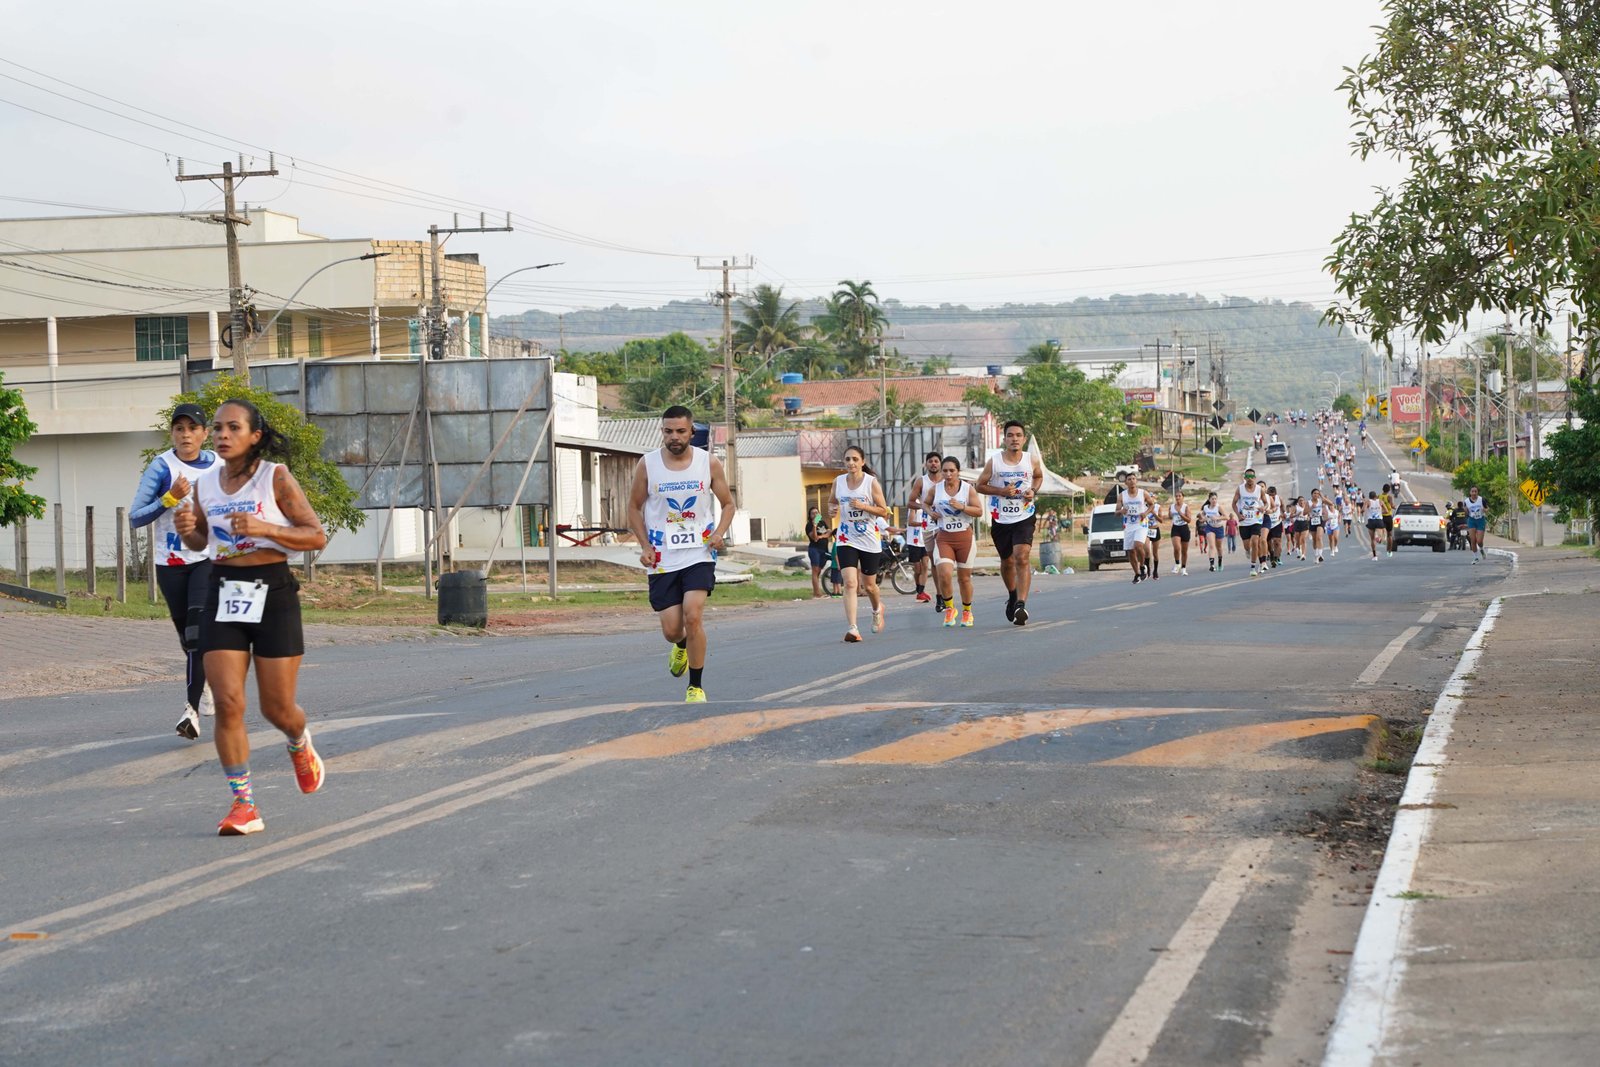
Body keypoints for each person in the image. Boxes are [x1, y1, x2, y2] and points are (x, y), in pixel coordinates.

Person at [172, 398, 328, 837]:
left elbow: (315, 535)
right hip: (223, 590)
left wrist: (266, 529)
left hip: (273, 591)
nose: (222, 435)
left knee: (277, 708)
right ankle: (244, 804)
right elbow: (203, 540)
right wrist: (189, 531)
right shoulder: (205, 483)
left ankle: (298, 741)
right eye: (217, 427)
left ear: (254, 436)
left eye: (233, 427)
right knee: (227, 703)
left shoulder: (274, 477)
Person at [627, 405, 735, 703]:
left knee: (693, 615)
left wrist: (718, 533)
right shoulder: (648, 464)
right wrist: (645, 546)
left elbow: (728, 504)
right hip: (662, 556)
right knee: (673, 630)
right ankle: (681, 645)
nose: (674, 437)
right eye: (668, 431)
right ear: (662, 432)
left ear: (691, 432)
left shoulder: (707, 463)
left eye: (680, 431)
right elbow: (634, 507)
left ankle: (695, 687)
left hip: (699, 552)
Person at [129, 402, 218, 742]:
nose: (186, 435)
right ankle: (204, 681)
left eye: (192, 428)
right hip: (171, 564)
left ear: (204, 433)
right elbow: (135, 517)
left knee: (196, 633)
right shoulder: (162, 467)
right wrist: (169, 498)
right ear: (172, 434)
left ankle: (190, 712)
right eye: (179, 429)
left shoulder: (219, 465)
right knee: (187, 637)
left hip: (207, 560)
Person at [976, 420, 1044, 625]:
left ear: (1023, 439)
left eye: (1018, 435)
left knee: (1021, 557)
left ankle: (1021, 605)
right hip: (1001, 518)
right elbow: (979, 485)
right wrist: (1001, 491)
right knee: (1007, 562)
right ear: (1004, 439)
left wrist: (1033, 490)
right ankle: (1013, 594)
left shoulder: (1031, 460)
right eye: (1010, 435)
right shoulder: (995, 462)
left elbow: (1038, 476)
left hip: (1024, 515)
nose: (1014, 439)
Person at [831, 444, 891, 642]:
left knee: (869, 586)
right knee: (849, 582)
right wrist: (831, 510)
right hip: (846, 537)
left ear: (862, 462)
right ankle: (853, 628)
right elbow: (832, 502)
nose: (851, 463)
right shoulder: (838, 482)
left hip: (868, 538)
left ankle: (877, 609)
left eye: (855, 459)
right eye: (847, 459)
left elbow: (883, 510)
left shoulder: (870, 483)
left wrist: (863, 506)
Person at [925, 455, 982, 627]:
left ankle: (967, 611)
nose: (948, 474)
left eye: (952, 470)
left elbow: (979, 511)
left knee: (964, 579)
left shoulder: (967, 489)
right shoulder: (936, 489)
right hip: (944, 537)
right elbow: (924, 503)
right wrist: (931, 512)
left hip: (964, 537)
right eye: (945, 471)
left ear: (958, 471)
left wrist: (962, 507)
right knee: (944, 574)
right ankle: (950, 608)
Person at [905, 452, 942, 606]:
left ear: (940, 463)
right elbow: (910, 502)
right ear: (926, 464)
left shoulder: (946, 479)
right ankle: (939, 595)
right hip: (928, 526)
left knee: (942, 562)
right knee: (933, 562)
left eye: (936, 461)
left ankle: (943, 594)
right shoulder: (921, 481)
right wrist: (924, 507)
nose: (933, 463)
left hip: (945, 524)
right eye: (930, 461)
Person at [1117, 471, 1154, 584]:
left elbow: (1152, 505)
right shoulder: (1122, 495)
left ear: (1136, 481)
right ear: (1126, 483)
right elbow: (1116, 512)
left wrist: (1145, 513)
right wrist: (1121, 511)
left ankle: (1142, 566)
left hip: (1141, 523)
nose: (1132, 481)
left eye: (1133, 479)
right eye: (1129, 479)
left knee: (1138, 545)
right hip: (1129, 524)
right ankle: (1137, 574)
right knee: (1130, 551)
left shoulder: (1143, 493)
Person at [1233, 468, 1266, 577]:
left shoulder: (1259, 489)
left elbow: (1266, 503)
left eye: (1252, 476)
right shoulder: (1240, 489)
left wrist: (1263, 508)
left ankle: (1253, 567)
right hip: (1244, 521)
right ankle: (1247, 551)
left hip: (1256, 520)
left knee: (1255, 541)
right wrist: (1238, 515)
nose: (1250, 479)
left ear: (1255, 478)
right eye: (1248, 477)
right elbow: (1233, 504)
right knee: (1247, 546)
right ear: (1245, 478)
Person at [805, 504, 830, 598]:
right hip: (814, 549)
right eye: (813, 513)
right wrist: (814, 526)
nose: (815, 514)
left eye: (816, 512)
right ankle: (817, 593)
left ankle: (817, 590)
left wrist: (821, 536)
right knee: (815, 570)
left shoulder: (822, 522)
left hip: (824, 549)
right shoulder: (809, 525)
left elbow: (829, 533)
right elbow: (814, 538)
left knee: (819, 570)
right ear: (810, 516)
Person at [1168, 488, 1192, 575]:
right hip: (1175, 528)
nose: (1178, 497)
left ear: (1183, 497)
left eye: (1179, 496)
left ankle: (1183, 568)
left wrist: (1181, 514)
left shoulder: (1186, 507)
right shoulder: (1171, 506)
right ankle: (1177, 564)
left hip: (1184, 528)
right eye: (1176, 496)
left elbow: (1189, 520)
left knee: (1184, 551)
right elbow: (1170, 517)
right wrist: (1170, 514)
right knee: (1177, 548)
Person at [1200, 492, 1226, 572]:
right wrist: (1203, 518)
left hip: (1219, 528)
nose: (1214, 500)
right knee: (1211, 545)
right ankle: (1212, 565)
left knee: (1219, 547)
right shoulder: (1206, 507)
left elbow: (1226, 517)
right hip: (1210, 527)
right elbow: (1202, 516)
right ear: (1209, 500)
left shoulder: (1218, 507)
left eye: (1215, 499)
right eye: (1212, 499)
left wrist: (1217, 518)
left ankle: (1220, 561)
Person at [1464, 486, 1488, 562]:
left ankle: (1481, 549)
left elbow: (1487, 509)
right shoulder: (1466, 501)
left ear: (1477, 492)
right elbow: (1466, 513)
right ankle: (1475, 557)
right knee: (1473, 540)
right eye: (1472, 491)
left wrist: (1484, 510)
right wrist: (1465, 510)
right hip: (1471, 520)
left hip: (1480, 520)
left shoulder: (1481, 499)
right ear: (1470, 492)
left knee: (1479, 541)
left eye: (1475, 491)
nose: (1474, 493)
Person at [1364, 490, 1388, 559]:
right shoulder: (1380, 501)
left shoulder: (1368, 502)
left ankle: (1374, 556)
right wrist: (1380, 512)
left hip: (1371, 521)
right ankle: (1379, 537)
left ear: (1369, 497)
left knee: (1372, 539)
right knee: (1381, 531)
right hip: (1379, 520)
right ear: (1376, 496)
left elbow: (1363, 510)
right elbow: (1386, 511)